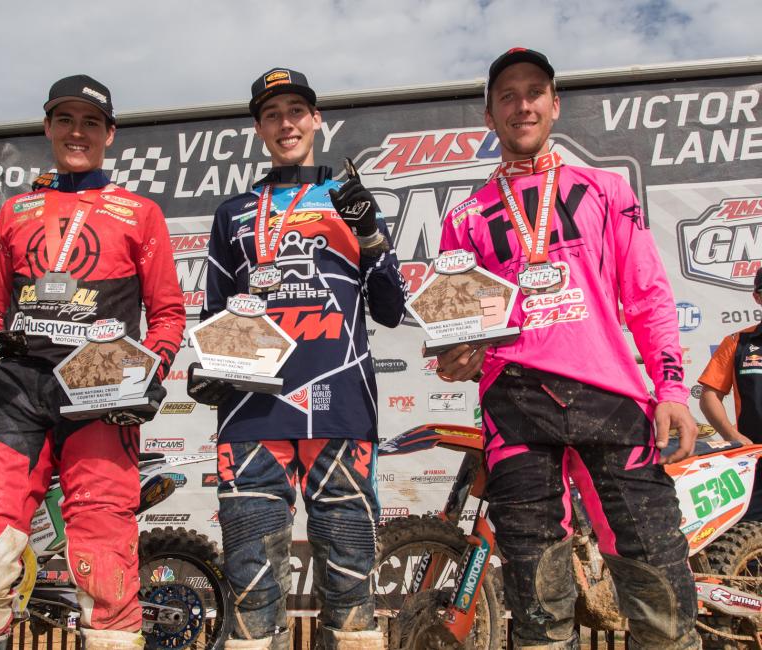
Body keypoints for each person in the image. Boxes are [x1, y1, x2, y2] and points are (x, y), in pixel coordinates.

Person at [436, 48, 700, 648]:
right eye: (507, 95)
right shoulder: (465, 216)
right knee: (534, 586)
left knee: (656, 564)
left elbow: (650, 297)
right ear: (489, 113)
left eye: (534, 92)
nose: (521, 104)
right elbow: (455, 332)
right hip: (513, 400)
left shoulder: (606, 191)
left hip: (613, 397)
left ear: (555, 105)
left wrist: (672, 390)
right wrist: (455, 357)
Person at [0, 75, 185, 649]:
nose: (78, 132)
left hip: (98, 388)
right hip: (17, 390)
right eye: (66, 120)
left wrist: (152, 370)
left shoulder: (139, 213)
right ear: (48, 128)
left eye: (91, 122)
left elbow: (168, 313)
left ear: (109, 134)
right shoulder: (17, 212)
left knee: (102, 552)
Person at [188, 68, 406, 650]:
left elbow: (390, 308)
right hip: (251, 412)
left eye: (295, 110)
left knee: (350, 583)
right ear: (259, 127)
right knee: (252, 584)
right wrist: (207, 366)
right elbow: (214, 315)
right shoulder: (232, 212)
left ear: (316, 120)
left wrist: (373, 240)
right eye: (272, 113)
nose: (286, 122)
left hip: (341, 407)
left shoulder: (350, 201)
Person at [698, 268, 762, 520]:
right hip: (756, 459)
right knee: (750, 539)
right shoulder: (738, 343)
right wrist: (732, 436)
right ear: (757, 297)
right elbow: (709, 395)